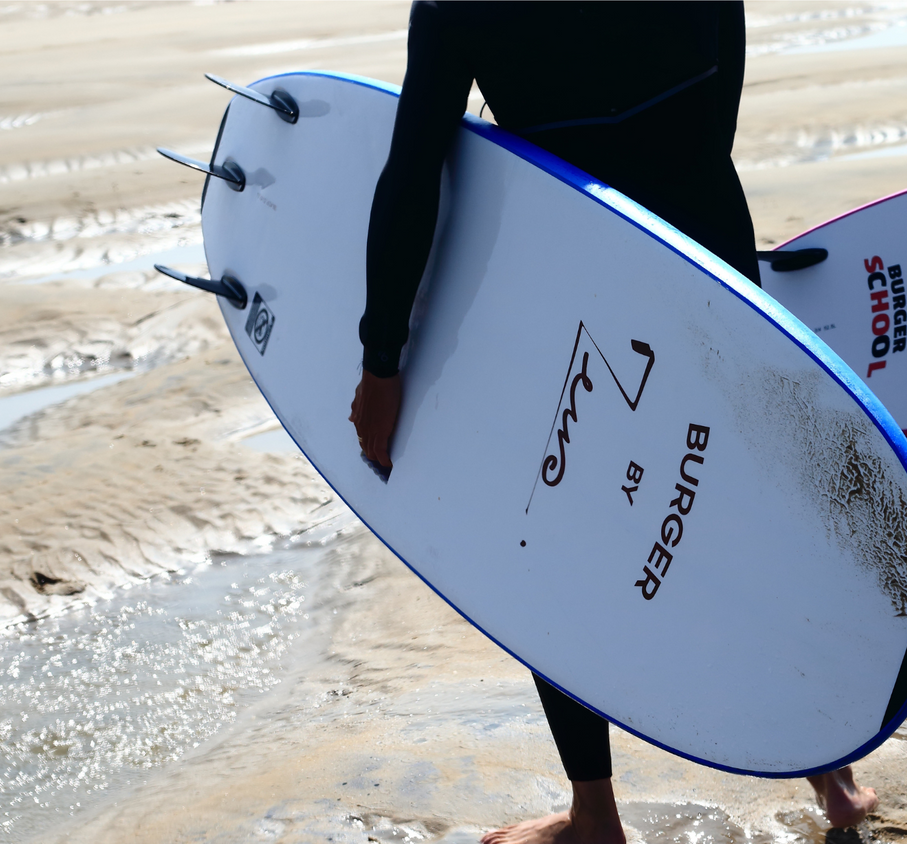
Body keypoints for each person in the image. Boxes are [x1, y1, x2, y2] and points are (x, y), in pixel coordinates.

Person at [345, 4, 878, 842]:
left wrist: (382, 359)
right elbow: (723, 76)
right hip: (705, 244)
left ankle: (595, 812)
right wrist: (688, 197)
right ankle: (829, 768)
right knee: (752, 502)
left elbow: (417, 168)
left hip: (579, 274)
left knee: (553, 529)